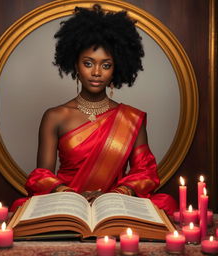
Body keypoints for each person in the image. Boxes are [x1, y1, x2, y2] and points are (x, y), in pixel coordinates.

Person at [11, 4, 177, 215]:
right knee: (21, 208)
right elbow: (41, 176)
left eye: (106, 65)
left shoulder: (131, 118)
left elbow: (145, 173)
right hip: (67, 203)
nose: (96, 72)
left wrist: (118, 194)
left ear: (116, 69)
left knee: (166, 203)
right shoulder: (55, 116)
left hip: (114, 205)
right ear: (75, 66)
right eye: (88, 63)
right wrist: (69, 194)